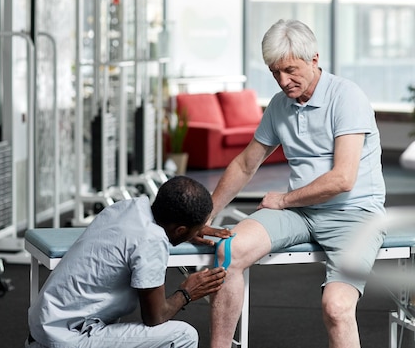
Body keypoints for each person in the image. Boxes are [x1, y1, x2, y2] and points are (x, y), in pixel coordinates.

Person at [203, 19, 387, 348]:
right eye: (275, 73)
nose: (283, 81)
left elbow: (343, 179)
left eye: (290, 70)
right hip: (300, 212)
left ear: (314, 59)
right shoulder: (279, 105)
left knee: (337, 307)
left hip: (353, 213)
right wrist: (208, 215)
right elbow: (246, 163)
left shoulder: (347, 97)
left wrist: (285, 200)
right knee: (228, 250)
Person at [27, 176, 230, 348]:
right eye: (196, 229)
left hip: (44, 324)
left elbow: (142, 238)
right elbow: (155, 317)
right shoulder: (151, 240)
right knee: (184, 336)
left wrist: (190, 230)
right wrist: (187, 292)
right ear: (180, 229)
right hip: (66, 337)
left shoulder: (128, 207)